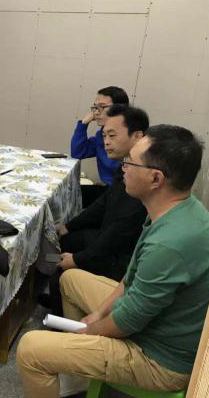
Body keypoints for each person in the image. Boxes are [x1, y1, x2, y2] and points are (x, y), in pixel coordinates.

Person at [17, 124, 209, 398]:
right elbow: (131, 277)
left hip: (158, 359)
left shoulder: (169, 244)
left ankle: (78, 363)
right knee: (70, 279)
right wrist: (98, 314)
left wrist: (91, 330)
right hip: (153, 325)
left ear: (156, 178)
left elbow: (128, 322)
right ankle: (80, 380)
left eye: (130, 162)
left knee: (30, 350)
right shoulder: (177, 208)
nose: (123, 168)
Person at [43, 105, 149, 315]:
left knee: (60, 278)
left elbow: (119, 232)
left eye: (112, 135)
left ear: (137, 136)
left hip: (122, 257)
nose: (106, 141)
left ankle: (62, 319)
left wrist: (78, 259)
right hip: (110, 237)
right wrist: (69, 226)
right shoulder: (126, 163)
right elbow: (104, 203)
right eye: (104, 135)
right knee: (63, 239)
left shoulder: (140, 176)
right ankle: (58, 297)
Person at [71, 86, 129, 206]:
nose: (96, 112)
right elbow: (78, 152)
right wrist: (83, 124)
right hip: (108, 190)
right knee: (71, 195)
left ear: (120, 109)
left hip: (124, 195)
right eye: (95, 107)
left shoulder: (129, 137)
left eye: (102, 107)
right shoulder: (101, 135)